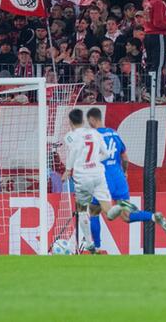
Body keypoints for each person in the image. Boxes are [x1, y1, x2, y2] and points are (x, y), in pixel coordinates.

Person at [85, 108, 166, 252]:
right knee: (127, 216)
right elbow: (125, 157)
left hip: (103, 178)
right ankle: (153, 216)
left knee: (94, 211)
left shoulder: (92, 135)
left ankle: (97, 248)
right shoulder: (114, 133)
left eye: (89, 122)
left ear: (92, 120)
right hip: (119, 177)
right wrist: (124, 172)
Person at [62, 108, 111, 254]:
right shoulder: (94, 133)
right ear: (83, 120)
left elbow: (72, 152)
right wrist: (94, 161)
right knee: (100, 209)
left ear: (70, 122)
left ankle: (89, 242)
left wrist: (68, 170)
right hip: (97, 174)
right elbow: (106, 154)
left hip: (83, 177)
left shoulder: (70, 136)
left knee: (82, 210)